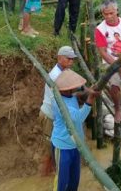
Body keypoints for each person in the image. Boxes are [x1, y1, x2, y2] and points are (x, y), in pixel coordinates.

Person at [51, 69, 99, 191]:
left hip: (75, 145)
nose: (75, 88)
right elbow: (78, 118)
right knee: (62, 182)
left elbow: (80, 94)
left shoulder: (70, 95)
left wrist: (90, 91)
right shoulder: (59, 102)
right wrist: (89, 102)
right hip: (63, 146)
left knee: (74, 180)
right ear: (67, 88)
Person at [39, 46, 77, 176]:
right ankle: (43, 177)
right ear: (59, 58)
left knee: (54, 148)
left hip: (53, 115)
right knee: (48, 150)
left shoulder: (64, 72)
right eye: (68, 59)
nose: (71, 62)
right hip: (49, 116)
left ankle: (52, 173)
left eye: (72, 59)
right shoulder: (56, 75)